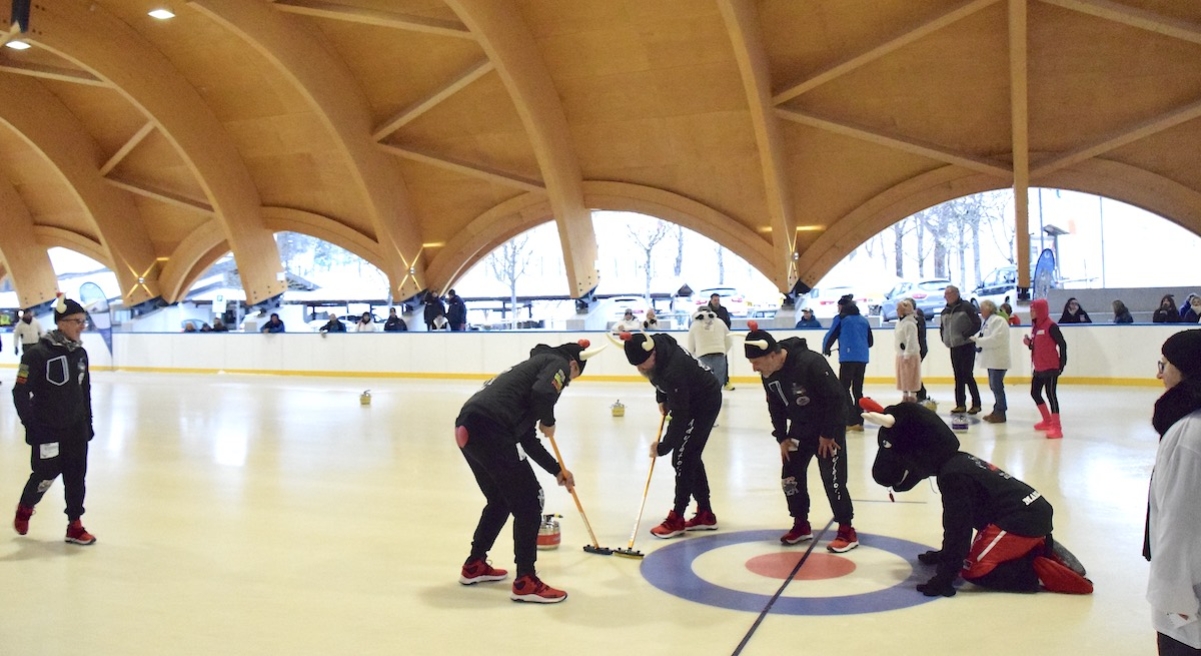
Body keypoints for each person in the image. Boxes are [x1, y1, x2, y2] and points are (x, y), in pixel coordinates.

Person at [862, 401, 1092, 598]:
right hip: (1030, 510)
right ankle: (1033, 544)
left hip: (1019, 520)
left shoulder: (953, 476)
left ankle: (1034, 565)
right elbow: (956, 524)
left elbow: (958, 529)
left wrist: (946, 577)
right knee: (971, 557)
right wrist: (945, 554)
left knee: (975, 570)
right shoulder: (957, 462)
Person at [455, 339, 602, 604]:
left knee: (501, 500)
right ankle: (525, 580)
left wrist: (557, 470)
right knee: (530, 502)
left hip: (469, 427)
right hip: (491, 428)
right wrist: (549, 420)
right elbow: (544, 394)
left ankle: (475, 563)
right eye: (570, 378)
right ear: (572, 364)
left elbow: (527, 438)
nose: (565, 384)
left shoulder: (531, 369)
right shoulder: (557, 363)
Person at [744, 323, 859, 552]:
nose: (754, 369)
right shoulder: (769, 373)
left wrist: (827, 435)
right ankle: (801, 523)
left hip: (829, 428)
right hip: (800, 429)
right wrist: (782, 437)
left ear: (773, 354)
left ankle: (847, 529)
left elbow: (838, 400)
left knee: (832, 479)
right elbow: (775, 404)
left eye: (756, 363)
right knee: (790, 476)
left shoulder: (811, 363)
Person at [11, 295, 98, 546]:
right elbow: (20, 392)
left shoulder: (80, 354)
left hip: (76, 429)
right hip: (47, 429)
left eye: (84, 321)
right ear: (62, 323)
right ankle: (26, 507)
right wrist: (31, 424)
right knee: (45, 473)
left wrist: (88, 423)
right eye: (77, 321)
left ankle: (75, 525)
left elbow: (85, 392)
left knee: (76, 476)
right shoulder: (37, 355)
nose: (82, 326)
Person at [620, 331, 722, 537]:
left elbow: (680, 417)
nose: (641, 369)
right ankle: (705, 514)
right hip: (689, 396)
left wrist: (664, 447)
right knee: (689, 456)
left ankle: (677, 517)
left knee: (682, 459)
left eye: (643, 364)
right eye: (637, 367)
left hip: (703, 402)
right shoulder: (658, 349)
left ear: (653, 354)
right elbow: (657, 378)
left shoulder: (673, 371)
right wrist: (661, 398)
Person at [1145, 329, 1201, 654]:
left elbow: (1181, 522)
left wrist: (1174, 598)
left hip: (1188, 609)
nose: (1158, 373)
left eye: (1163, 364)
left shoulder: (1188, 434)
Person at [824, 294, 873, 431]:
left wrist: (826, 348)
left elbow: (831, 334)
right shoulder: (863, 320)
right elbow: (870, 342)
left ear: (842, 307)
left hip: (848, 358)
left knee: (844, 388)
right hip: (862, 358)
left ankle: (851, 420)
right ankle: (860, 420)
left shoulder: (841, 318)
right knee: (858, 390)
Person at [1024, 299, 1067, 439]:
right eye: (1030, 310)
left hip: (1051, 367)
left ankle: (1057, 427)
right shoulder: (1036, 327)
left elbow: (1062, 344)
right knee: (1035, 392)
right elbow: (1039, 346)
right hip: (1039, 367)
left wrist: (1062, 363)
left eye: (1033, 310)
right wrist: (1029, 344)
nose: (1031, 313)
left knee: (1051, 394)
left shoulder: (1051, 326)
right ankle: (1047, 420)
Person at [939, 285, 983, 415]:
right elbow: (943, 327)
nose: (946, 297)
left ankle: (976, 403)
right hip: (953, 347)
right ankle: (960, 404)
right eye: (945, 294)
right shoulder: (945, 311)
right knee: (958, 376)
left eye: (949, 294)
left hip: (966, 346)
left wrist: (965, 335)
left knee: (968, 375)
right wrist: (944, 338)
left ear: (956, 294)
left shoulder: (967, 307)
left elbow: (977, 323)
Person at [971, 300, 1011, 423]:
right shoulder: (987, 322)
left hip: (998, 360)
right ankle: (997, 409)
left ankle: (1001, 411)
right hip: (992, 360)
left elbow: (996, 339)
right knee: (994, 386)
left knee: (997, 386)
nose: (981, 312)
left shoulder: (999, 321)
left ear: (990, 309)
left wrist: (978, 341)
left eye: (983, 309)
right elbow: (982, 334)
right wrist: (974, 338)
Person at [687, 308, 731, 387]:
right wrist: (724, 351)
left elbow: (691, 343)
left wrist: (693, 354)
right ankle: (717, 397)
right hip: (719, 353)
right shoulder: (720, 322)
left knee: (704, 381)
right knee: (718, 382)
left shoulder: (694, 325)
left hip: (702, 355)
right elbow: (729, 340)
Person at [893, 299, 921, 403]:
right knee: (903, 378)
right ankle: (904, 396)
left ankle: (912, 397)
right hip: (901, 354)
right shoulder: (899, 323)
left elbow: (911, 340)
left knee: (911, 378)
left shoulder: (910, 324)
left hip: (910, 355)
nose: (896, 311)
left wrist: (907, 354)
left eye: (898, 309)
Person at [705, 294, 733, 390]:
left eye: (718, 300)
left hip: (720, 340)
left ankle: (726, 382)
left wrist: (724, 334)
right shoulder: (705, 312)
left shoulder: (723, 310)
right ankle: (708, 383)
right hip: (708, 342)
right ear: (711, 300)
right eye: (715, 300)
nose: (717, 301)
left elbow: (728, 323)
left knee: (723, 363)